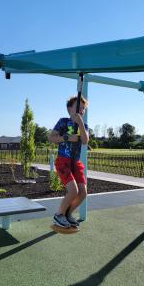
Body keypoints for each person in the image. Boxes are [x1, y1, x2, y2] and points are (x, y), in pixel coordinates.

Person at [48, 95, 89, 228]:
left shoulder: (84, 126)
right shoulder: (63, 122)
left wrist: (81, 123)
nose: (81, 110)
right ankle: (59, 214)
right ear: (69, 109)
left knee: (83, 192)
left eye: (83, 108)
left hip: (75, 163)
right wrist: (66, 137)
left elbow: (85, 140)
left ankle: (67, 213)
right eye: (79, 107)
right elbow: (51, 138)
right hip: (63, 161)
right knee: (73, 191)